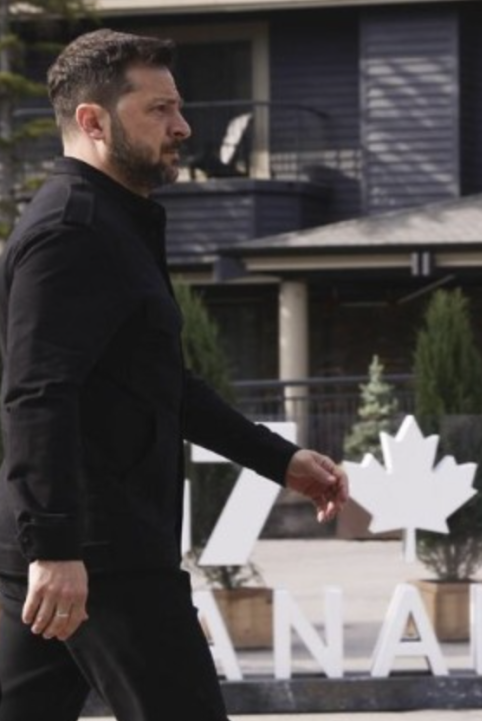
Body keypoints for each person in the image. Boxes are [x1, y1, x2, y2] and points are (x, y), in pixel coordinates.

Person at [0, 29, 349, 720]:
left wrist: (279, 460)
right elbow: (37, 394)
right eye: (158, 109)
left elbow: (158, 382)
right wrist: (58, 548)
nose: (183, 126)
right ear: (94, 121)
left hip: (73, 556)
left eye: (178, 107)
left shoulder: (114, 223)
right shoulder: (73, 231)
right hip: (102, 562)